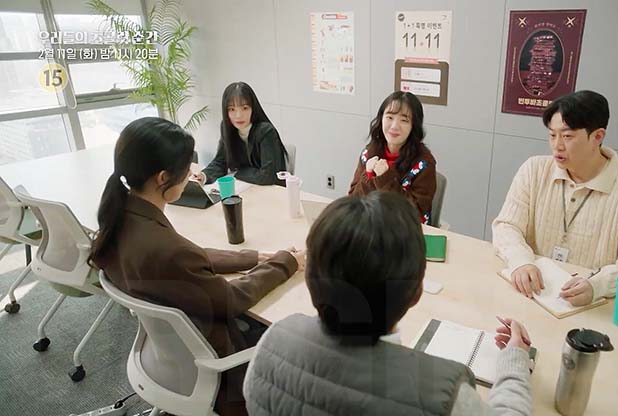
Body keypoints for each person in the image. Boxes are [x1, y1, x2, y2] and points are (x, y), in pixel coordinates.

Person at [243, 192, 533, 415]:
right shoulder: (445, 396)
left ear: (310, 279)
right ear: (416, 293)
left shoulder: (271, 343)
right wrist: (515, 361)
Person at [89, 117, 304, 416]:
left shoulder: (120, 220)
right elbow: (231, 298)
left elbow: (190, 258)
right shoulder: (166, 249)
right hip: (217, 367)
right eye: (186, 169)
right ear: (163, 178)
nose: (191, 174)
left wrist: (253, 257)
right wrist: (286, 262)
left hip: (167, 352)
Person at [492, 90, 618, 306]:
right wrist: (520, 261)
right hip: (535, 294)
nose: (557, 145)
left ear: (597, 137)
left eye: (567, 136)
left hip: (594, 304)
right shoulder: (534, 170)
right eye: (552, 135)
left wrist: (598, 285)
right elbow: (506, 226)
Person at [348, 91, 437, 224]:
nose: (394, 126)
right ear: (381, 119)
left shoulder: (424, 163)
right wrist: (368, 175)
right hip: (370, 226)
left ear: (414, 126)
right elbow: (352, 203)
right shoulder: (369, 153)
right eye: (390, 117)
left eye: (404, 120)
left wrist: (385, 178)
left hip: (405, 230)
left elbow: (415, 213)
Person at [193, 82, 289, 186]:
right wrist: (204, 176)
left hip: (272, 190)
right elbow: (221, 162)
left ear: (253, 108)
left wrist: (239, 172)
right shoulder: (227, 127)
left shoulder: (266, 131)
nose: (238, 115)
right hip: (246, 186)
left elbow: (268, 176)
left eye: (245, 108)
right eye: (232, 109)